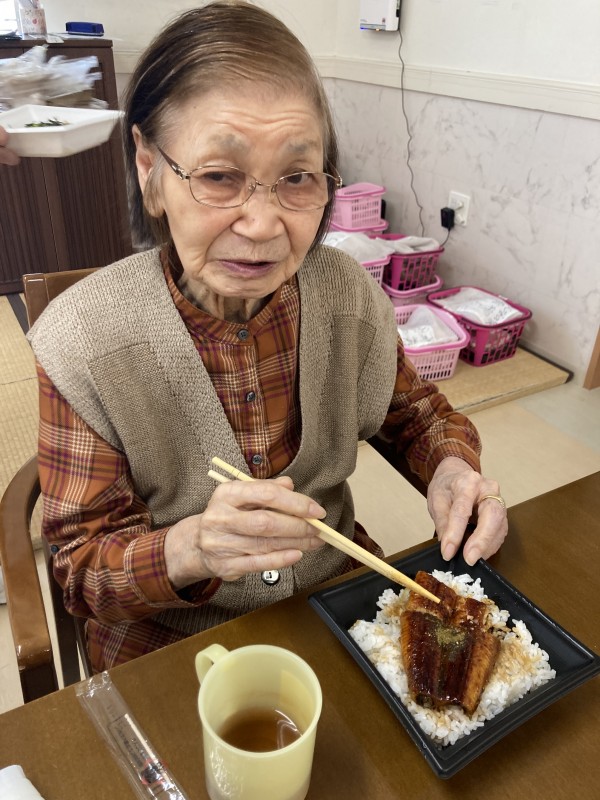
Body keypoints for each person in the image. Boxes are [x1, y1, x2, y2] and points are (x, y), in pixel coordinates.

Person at [27, 1, 507, 673]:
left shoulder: (346, 299)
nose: (262, 224)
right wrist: (191, 548)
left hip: (330, 603)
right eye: (219, 176)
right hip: (166, 643)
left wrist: (452, 470)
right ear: (149, 168)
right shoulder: (85, 341)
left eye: (297, 178)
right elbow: (81, 572)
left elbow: (417, 416)